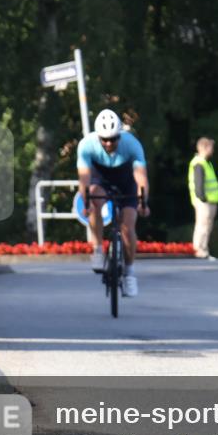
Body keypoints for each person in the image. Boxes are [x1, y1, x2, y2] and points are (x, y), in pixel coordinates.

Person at [77, 109, 151, 297]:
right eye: (104, 139)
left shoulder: (132, 144)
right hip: (100, 179)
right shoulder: (86, 145)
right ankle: (97, 248)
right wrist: (86, 203)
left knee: (128, 227)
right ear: (98, 137)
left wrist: (143, 202)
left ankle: (129, 273)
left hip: (126, 181)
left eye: (113, 139)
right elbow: (84, 179)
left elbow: (141, 178)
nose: (109, 143)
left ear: (120, 135)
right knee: (94, 201)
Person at [188, 137, 218, 259]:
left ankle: (203, 250)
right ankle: (199, 250)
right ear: (204, 148)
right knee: (202, 225)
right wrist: (202, 198)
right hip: (204, 201)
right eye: (211, 147)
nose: (212, 150)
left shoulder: (205, 162)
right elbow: (198, 182)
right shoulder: (199, 163)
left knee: (207, 226)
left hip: (209, 200)